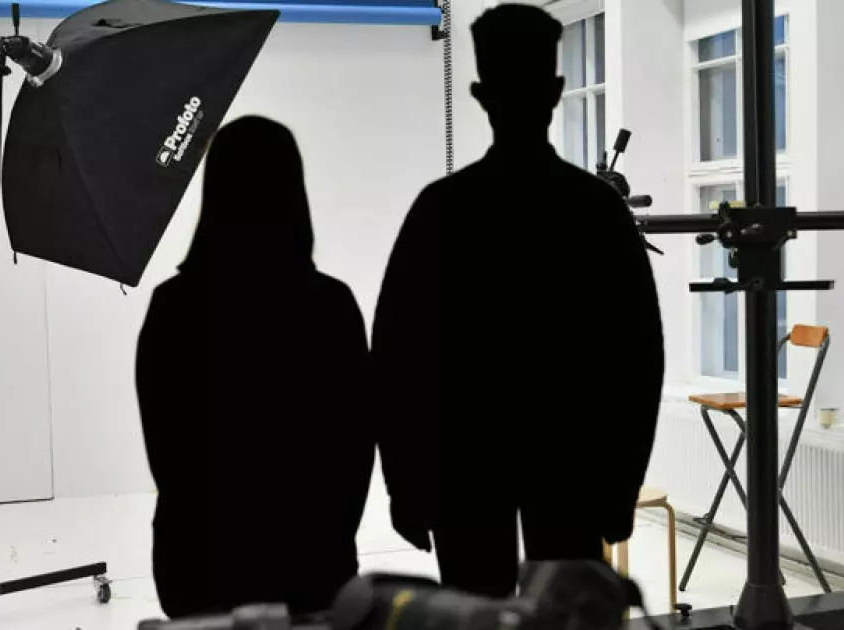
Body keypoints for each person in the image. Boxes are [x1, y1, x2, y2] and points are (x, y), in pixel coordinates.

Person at [371, 5, 665, 599]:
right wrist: (621, 482)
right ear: (557, 92)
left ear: (479, 94)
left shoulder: (442, 210)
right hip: (572, 460)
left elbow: (396, 357)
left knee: (477, 612)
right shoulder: (594, 212)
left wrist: (404, 482)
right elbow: (637, 358)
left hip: (464, 462)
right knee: (564, 610)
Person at [136, 116, 374, 618]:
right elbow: (355, 447)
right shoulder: (331, 307)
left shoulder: (173, 307)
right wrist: (330, 537)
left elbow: (167, 449)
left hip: (197, 562)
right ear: (294, 192)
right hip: (312, 561)